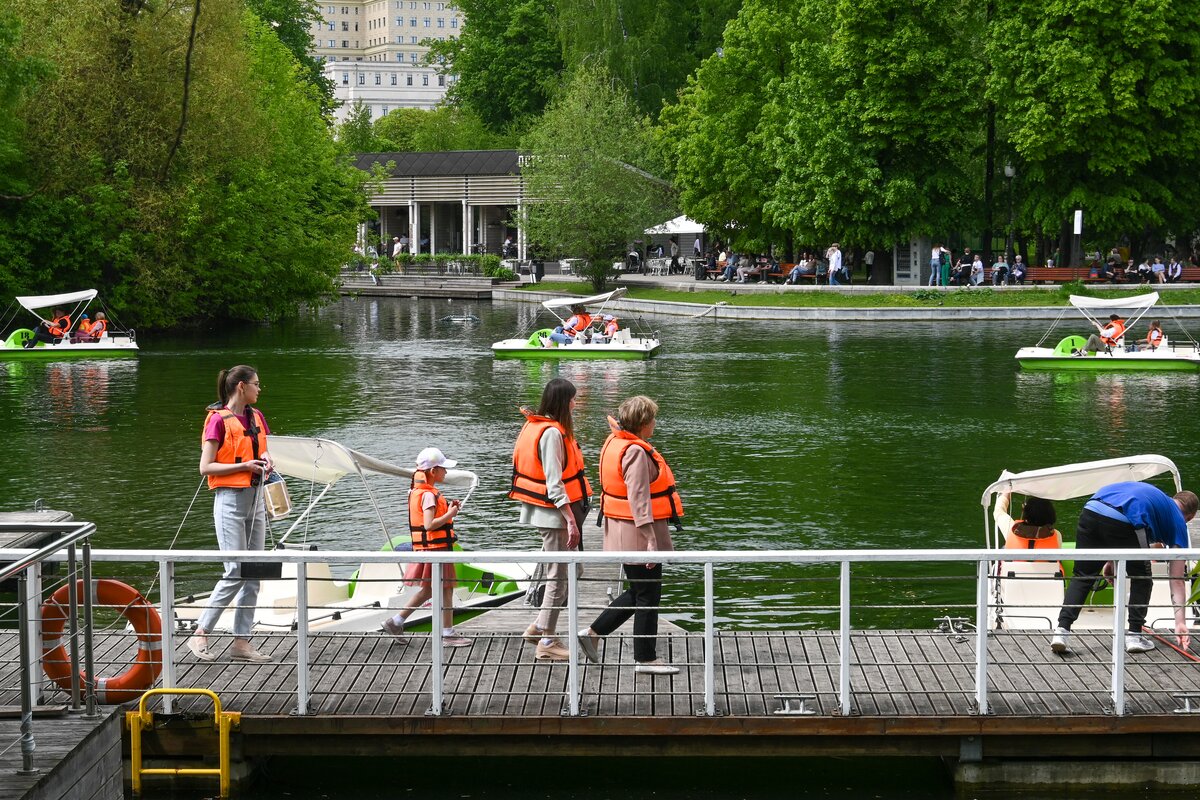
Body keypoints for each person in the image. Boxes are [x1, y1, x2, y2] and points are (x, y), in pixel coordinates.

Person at [578, 396, 684, 675]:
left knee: (640, 590)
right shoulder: (635, 452)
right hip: (637, 533)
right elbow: (638, 498)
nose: (655, 424)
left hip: (621, 529)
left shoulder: (615, 442)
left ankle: (593, 632)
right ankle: (645, 658)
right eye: (652, 420)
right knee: (649, 594)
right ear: (644, 423)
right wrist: (651, 539)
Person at [187, 365, 275, 663]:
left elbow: (261, 449)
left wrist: (265, 460)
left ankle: (241, 642)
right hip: (229, 500)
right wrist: (243, 466)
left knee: (254, 574)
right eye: (256, 384)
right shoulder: (218, 421)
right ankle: (200, 633)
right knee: (235, 571)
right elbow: (205, 467)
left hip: (256, 499)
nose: (259, 389)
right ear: (241, 387)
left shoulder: (257, 417)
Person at [1051, 483, 1198, 654]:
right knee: (1142, 578)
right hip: (1123, 520)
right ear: (1189, 517)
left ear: (1175, 498)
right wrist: (1180, 622)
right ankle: (1135, 636)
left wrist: (1111, 561)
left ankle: (1061, 632)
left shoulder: (1157, 498)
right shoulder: (1178, 521)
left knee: (1083, 576)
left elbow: (1113, 517)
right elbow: (1177, 580)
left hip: (1091, 511)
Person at [508, 379, 592, 662]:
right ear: (562, 402)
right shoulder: (552, 434)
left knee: (571, 571)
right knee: (560, 574)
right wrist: (570, 520)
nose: (575, 404)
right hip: (555, 515)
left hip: (555, 514)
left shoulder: (544, 427)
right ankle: (547, 640)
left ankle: (539, 627)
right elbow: (555, 484)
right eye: (572, 399)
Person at [381, 448, 470, 648]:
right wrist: (451, 514)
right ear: (433, 471)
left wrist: (448, 509)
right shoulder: (429, 495)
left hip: (428, 549)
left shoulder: (416, 492)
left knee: (428, 590)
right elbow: (429, 525)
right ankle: (447, 634)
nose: (445, 473)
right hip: (435, 550)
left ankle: (395, 622)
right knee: (445, 590)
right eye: (443, 469)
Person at [995, 494, 1061, 551]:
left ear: (1026, 514)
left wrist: (1006, 491)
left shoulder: (1010, 530)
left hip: (1015, 566)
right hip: (1046, 566)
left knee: (1003, 548)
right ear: (1051, 515)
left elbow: (999, 511)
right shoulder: (1056, 535)